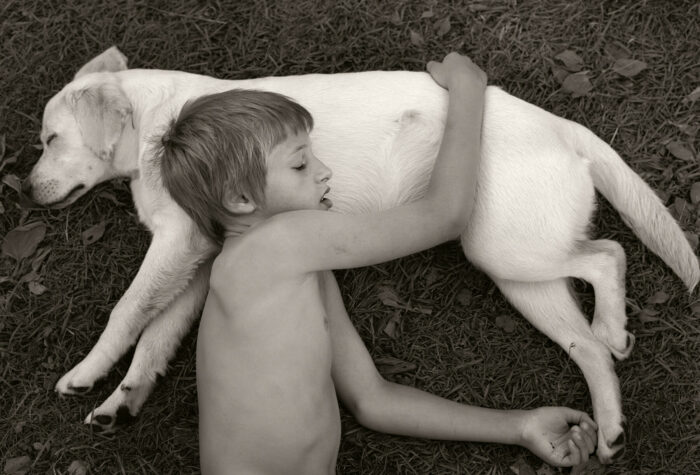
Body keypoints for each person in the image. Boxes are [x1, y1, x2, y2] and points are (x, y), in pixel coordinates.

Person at [156, 53, 597, 474]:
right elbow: (443, 215)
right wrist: (468, 90)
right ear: (239, 199)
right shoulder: (276, 243)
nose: (325, 171)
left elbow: (373, 400)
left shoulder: (294, 271)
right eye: (300, 163)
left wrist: (519, 426)